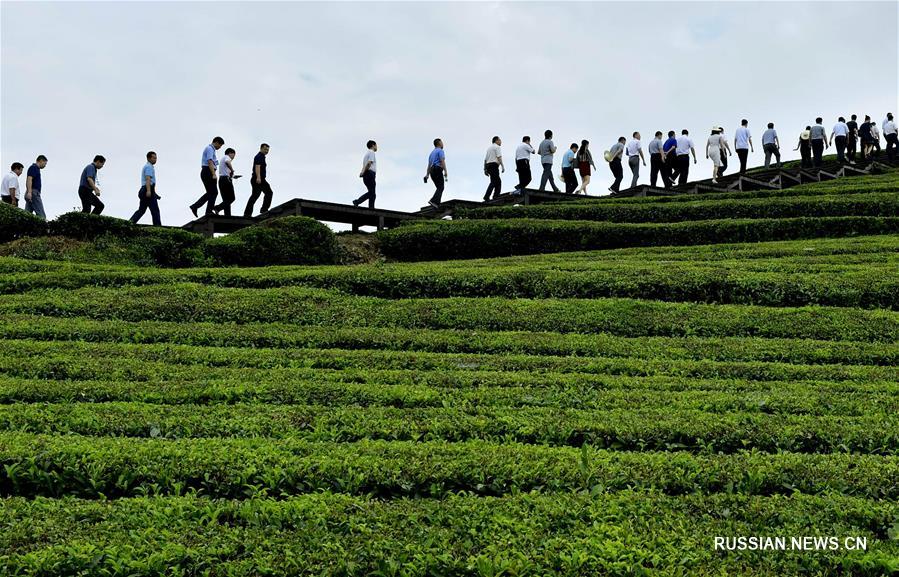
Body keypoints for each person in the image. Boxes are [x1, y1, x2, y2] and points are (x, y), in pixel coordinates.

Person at [190, 136, 224, 217]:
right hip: (208, 171)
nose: (220, 147)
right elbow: (209, 161)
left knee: (211, 193)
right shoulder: (210, 149)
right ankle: (207, 210)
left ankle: (196, 206)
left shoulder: (211, 149)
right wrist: (213, 174)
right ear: (216, 142)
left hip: (207, 171)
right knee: (213, 192)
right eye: (220, 145)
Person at [130, 151, 161, 226]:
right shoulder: (149, 167)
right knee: (155, 210)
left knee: (141, 210)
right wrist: (149, 191)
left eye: (156, 158)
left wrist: (154, 194)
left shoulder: (148, 166)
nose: (155, 159)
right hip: (147, 190)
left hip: (146, 190)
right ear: (148, 158)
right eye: (154, 158)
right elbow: (148, 179)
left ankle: (130, 223)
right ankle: (158, 227)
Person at [244, 143, 274, 217]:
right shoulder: (259, 156)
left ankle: (249, 213)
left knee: (257, 195)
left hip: (260, 179)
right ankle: (262, 209)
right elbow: (257, 167)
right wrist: (258, 177)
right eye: (265, 149)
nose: (266, 151)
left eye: (267, 150)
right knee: (268, 192)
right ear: (261, 148)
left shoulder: (262, 156)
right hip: (258, 179)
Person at [213, 148, 240, 216]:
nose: (233, 158)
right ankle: (217, 208)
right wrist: (232, 170)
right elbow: (227, 162)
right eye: (234, 155)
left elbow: (225, 172)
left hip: (222, 180)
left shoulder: (223, 159)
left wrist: (233, 176)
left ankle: (227, 215)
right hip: (226, 180)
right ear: (230, 153)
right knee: (231, 198)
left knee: (226, 200)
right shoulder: (227, 157)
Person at [353, 140, 378, 208]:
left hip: (366, 175)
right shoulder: (371, 152)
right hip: (369, 174)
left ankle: (371, 208)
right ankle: (357, 201)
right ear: (373, 145)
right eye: (376, 145)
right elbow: (369, 163)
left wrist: (362, 172)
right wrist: (363, 172)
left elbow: (364, 165)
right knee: (372, 193)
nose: (377, 147)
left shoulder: (366, 154)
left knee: (372, 193)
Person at [424, 138, 447, 208]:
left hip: (431, 171)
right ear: (439, 143)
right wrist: (445, 171)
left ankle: (436, 203)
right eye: (442, 142)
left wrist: (427, 175)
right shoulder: (440, 151)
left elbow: (429, 165)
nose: (443, 143)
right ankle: (434, 201)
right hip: (437, 169)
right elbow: (442, 160)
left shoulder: (431, 153)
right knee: (441, 187)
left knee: (439, 188)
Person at [25, 155, 47, 219]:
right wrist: (29, 192)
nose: (45, 166)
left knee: (27, 214)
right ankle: (42, 228)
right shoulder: (34, 167)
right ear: (41, 161)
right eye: (45, 163)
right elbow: (29, 179)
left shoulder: (35, 168)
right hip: (33, 193)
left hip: (31, 192)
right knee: (41, 216)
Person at [482, 136, 504, 201]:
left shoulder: (489, 148)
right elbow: (499, 157)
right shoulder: (497, 147)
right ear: (496, 140)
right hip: (494, 166)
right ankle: (491, 196)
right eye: (500, 140)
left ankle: (495, 195)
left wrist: (485, 169)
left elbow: (485, 160)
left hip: (488, 166)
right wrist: (502, 166)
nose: (501, 142)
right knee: (496, 182)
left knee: (495, 181)